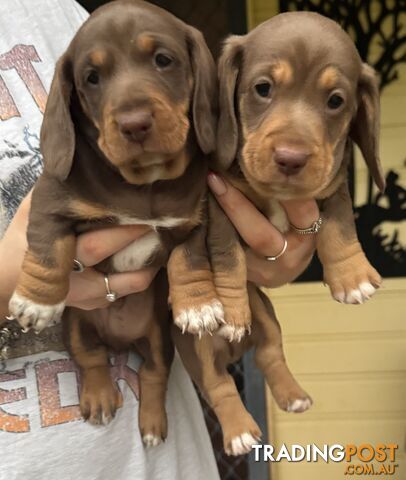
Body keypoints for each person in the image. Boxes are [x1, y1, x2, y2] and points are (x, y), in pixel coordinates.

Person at [0, 1, 319, 479]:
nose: (132, 116)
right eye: (95, 79)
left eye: (163, 61)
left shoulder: (54, 10)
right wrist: (20, 279)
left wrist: (272, 242)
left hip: (165, 461)